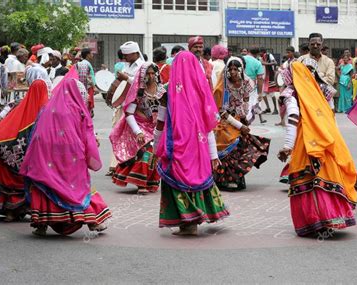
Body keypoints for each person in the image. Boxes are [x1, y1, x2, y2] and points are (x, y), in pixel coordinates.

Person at [19, 70, 112, 236]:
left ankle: (41, 225)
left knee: (45, 185)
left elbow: (36, 133)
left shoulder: (47, 108)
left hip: (44, 155)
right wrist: (91, 147)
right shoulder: (77, 110)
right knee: (78, 187)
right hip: (70, 156)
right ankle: (93, 222)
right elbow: (85, 136)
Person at [277, 61, 357, 236]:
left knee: (307, 182)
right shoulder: (316, 91)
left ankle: (314, 222)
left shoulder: (290, 93)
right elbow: (329, 116)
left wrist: (287, 146)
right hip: (323, 142)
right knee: (323, 178)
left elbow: (292, 117)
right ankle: (333, 219)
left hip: (304, 144)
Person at [154, 51, 230, 236]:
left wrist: (156, 146)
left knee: (176, 182)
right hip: (199, 147)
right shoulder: (201, 89)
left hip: (176, 147)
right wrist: (212, 155)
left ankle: (187, 222)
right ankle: (196, 218)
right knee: (198, 179)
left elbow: (161, 121)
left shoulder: (167, 90)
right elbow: (208, 125)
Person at [0, 77, 49, 221]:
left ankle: (10, 212)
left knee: (4, 174)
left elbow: (0, 121)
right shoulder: (47, 111)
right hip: (30, 157)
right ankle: (26, 209)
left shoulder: (17, 104)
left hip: (9, 149)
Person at [212, 56, 270, 190]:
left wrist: (244, 120)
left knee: (243, 145)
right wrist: (239, 125)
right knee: (229, 142)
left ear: (241, 70)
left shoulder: (247, 83)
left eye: (235, 69)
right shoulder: (222, 86)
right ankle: (224, 179)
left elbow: (245, 104)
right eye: (230, 69)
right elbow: (221, 111)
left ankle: (237, 178)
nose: (232, 72)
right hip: (224, 120)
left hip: (239, 118)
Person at [109, 63, 164, 194]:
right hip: (139, 125)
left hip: (156, 126)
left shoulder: (162, 90)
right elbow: (129, 113)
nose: (151, 76)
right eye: (148, 74)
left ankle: (150, 182)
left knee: (157, 152)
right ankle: (141, 183)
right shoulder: (139, 91)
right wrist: (138, 132)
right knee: (147, 150)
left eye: (153, 73)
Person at [106, 41, 145, 177]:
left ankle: (132, 169)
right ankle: (117, 165)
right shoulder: (128, 65)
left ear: (134, 53)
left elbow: (142, 83)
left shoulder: (142, 66)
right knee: (117, 136)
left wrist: (126, 77)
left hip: (135, 108)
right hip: (124, 105)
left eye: (127, 55)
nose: (125, 58)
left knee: (134, 139)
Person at [244, 47, 266, 123]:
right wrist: (260, 93)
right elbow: (260, 79)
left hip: (238, 85)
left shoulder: (241, 59)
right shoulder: (257, 63)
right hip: (251, 87)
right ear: (257, 54)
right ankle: (246, 122)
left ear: (248, 51)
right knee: (249, 106)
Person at [76, 48, 96, 116]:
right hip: (87, 87)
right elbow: (86, 77)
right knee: (87, 105)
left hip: (86, 87)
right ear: (87, 55)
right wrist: (94, 86)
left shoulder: (84, 63)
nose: (92, 55)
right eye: (91, 53)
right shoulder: (86, 64)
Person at [260, 47, 279, 114]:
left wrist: (264, 63)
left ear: (263, 52)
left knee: (271, 93)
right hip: (264, 78)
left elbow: (275, 63)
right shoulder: (261, 58)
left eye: (260, 53)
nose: (259, 54)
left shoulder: (269, 55)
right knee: (263, 94)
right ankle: (268, 108)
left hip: (270, 77)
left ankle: (276, 109)